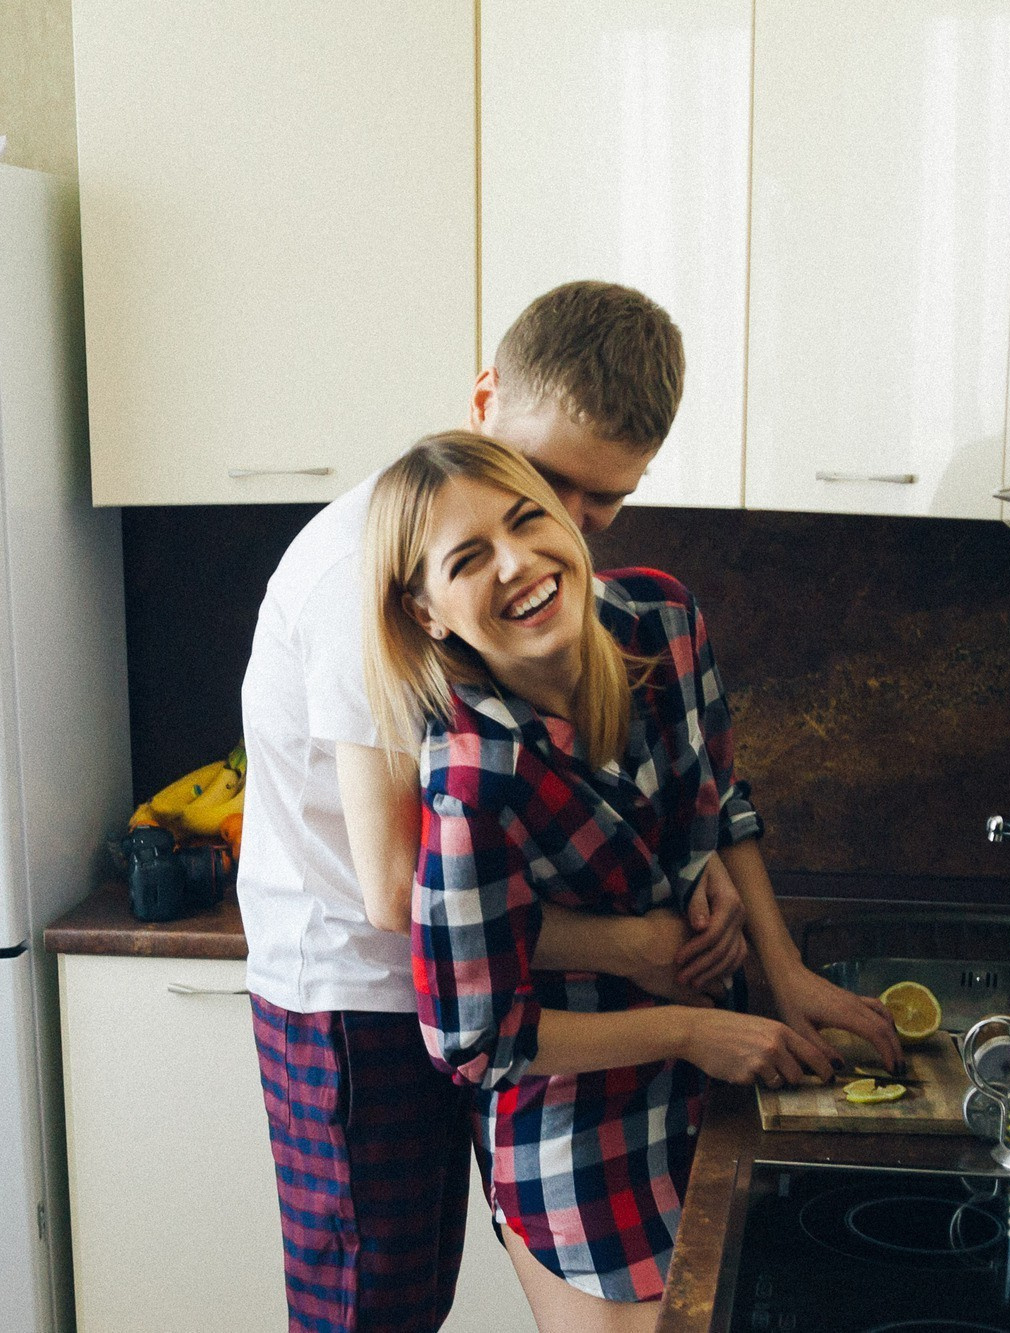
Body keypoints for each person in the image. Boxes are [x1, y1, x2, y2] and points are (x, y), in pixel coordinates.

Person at [239, 281, 893, 1331]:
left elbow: (700, 783)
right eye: (554, 483)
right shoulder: (372, 589)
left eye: (603, 503)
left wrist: (723, 896)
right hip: (355, 988)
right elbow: (396, 892)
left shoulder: (637, 612)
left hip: (525, 1002)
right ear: (485, 397)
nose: (574, 536)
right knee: (379, 1308)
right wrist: (637, 948)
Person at [363, 432, 891, 1330]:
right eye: (469, 558)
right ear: (427, 613)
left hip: (718, 1075)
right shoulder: (473, 772)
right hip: (580, 1136)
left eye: (528, 519)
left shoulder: (664, 616)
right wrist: (691, 1029)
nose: (519, 562)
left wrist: (785, 971)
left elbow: (723, 799)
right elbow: (474, 1041)